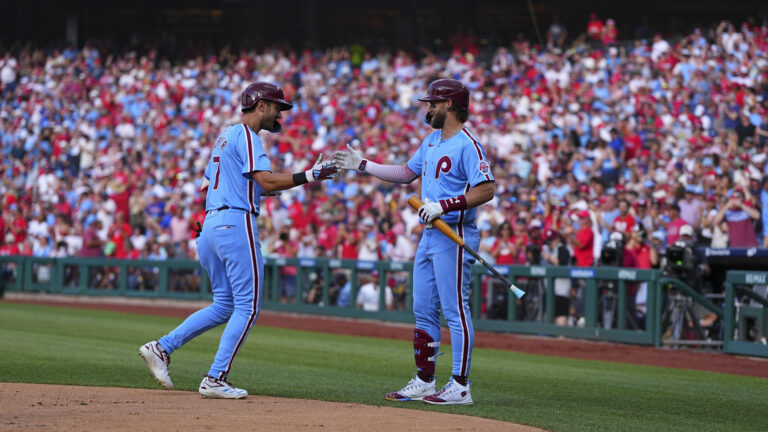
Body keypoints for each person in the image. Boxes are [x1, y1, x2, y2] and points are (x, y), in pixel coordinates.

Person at [139, 82, 338, 399]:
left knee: (224, 305)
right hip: (235, 222)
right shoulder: (248, 135)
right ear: (260, 106)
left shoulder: (224, 136)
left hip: (210, 226)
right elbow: (265, 180)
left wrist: (297, 179)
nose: (279, 114)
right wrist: (311, 174)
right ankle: (215, 377)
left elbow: (225, 185)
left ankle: (161, 347)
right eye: (276, 107)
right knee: (249, 306)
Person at [334, 79, 494, 405]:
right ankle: (424, 379)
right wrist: (363, 164)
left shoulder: (468, 144)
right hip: (430, 234)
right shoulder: (432, 141)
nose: (428, 108)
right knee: (422, 309)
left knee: (455, 310)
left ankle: (461, 385)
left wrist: (445, 205)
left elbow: (486, 189)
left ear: (449, 105)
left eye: (433, 103)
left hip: (455, 233)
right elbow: (406, 174)